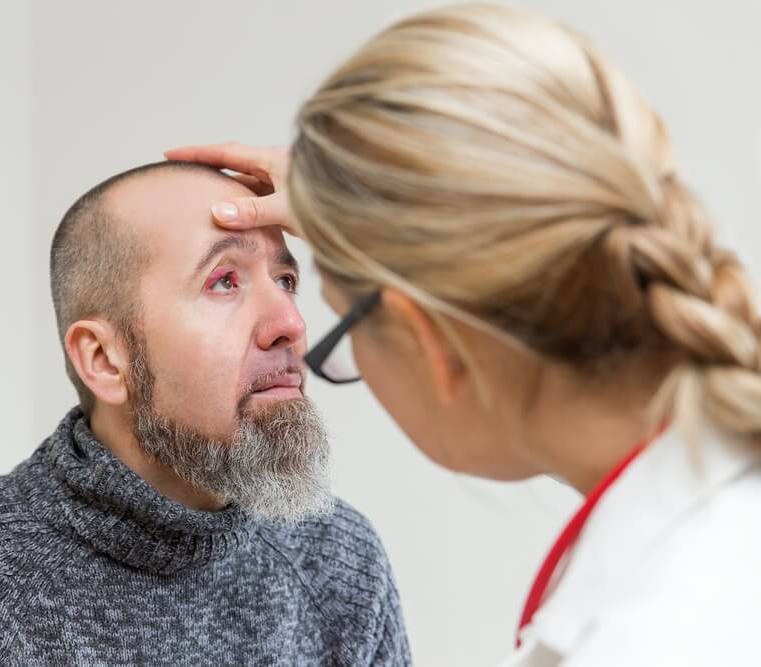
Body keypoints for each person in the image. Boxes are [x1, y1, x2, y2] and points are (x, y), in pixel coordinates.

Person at [167, 3, 761, 664]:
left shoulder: (652, 635)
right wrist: (368, 201)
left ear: (432, 344)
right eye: (226, 283)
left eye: (339, 318)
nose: (290, 330)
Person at [0, 161, 410, 666]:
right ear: (104, 358)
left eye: (285, 280)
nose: (291, 324)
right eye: (225, 280)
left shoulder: (340, 559)